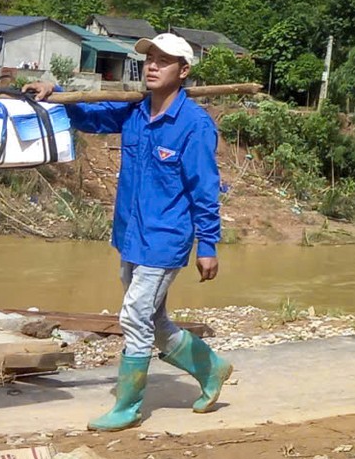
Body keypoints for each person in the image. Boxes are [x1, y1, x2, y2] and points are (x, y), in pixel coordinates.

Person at [37, 33, 229, 430]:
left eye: (164, 60)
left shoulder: (194, 126)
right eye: (149, 59)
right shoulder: (135, 112)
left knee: (134, 316)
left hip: (166, 238)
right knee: (153, 320)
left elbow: (205, 189)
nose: (153, 66)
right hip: (131, 235)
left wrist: (207, 244)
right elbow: (90, 115)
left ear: (184, 71)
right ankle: (212, 368)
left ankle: (128, 407)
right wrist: (56, 94)